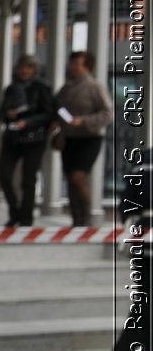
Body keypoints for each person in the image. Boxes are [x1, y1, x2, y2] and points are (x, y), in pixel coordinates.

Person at [54, 50, 114, 227]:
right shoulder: (65, 89)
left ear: (87, 67)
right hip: (70, 138)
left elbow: (108, 113)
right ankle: (76, 218)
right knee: (70, 178)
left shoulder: (95, 87)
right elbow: (56, 108)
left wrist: (85, 121)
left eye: (77, 64)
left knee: (78, 177)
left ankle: (87, 216)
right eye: (71, 64)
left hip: (89, 138)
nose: (72, 67)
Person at [0, 55, 55, 227]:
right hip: (12, 137)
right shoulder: (11, 89)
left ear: (34, 69)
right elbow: (1, 113)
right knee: (3, 175)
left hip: (34, 138)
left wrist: (27, 122)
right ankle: (15, 211)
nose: (24, 70)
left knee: (28, 180)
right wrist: (9, 115)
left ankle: (26, 217)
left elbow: (48, 113)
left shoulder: (42, 88)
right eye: (22, 67)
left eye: (28, 67)